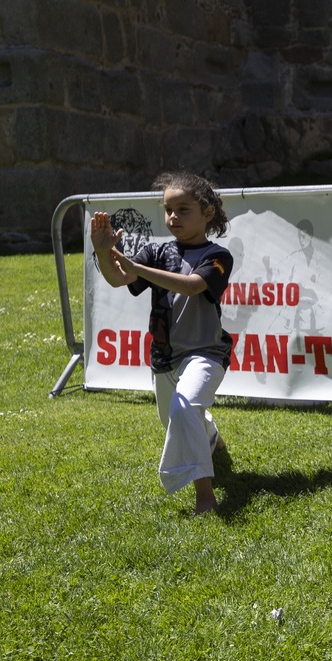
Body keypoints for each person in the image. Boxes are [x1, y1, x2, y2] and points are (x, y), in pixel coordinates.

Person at [89, 171, 234, 516]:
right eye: (168, 210)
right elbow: (118, 279)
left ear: (208, 212)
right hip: (164, 358)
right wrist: (103, 251)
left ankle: (205, 497)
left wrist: (132, 264)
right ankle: (210, 436)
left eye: (183, 210)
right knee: (177, 420)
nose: (173, 217)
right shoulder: (156, 250)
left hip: (206, 354)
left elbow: (191, 286)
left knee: (183, 409)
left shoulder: (219, 255)